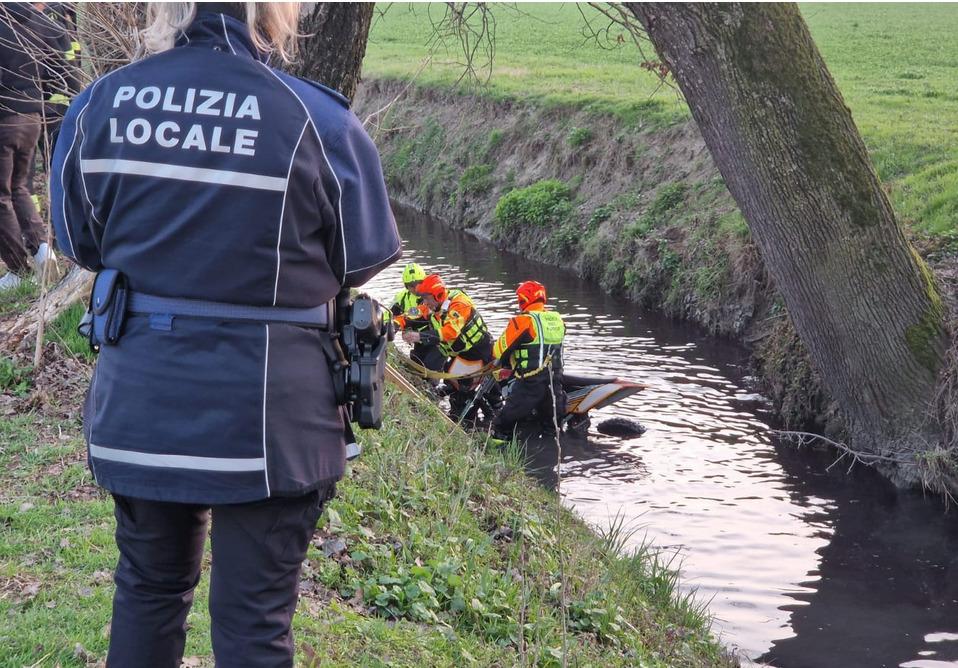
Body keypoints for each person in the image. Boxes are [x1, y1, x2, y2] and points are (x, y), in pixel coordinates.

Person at [50, 3, 401, 666]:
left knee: (148, 591)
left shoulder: (101, 105)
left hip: (142, 403)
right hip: (273, 419)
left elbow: (80, 242)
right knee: (254, 619)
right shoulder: (315, 119)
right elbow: (364, 255)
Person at [0, 2, 66, 289]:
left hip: (3, 119)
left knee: (1, 195)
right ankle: (43, 253)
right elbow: (59, 73)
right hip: (32, 118)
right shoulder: (44, 23)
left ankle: (17, 270)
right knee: (19, 189)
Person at [405, 273, 500, 419]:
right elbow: (412, 313)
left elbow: (451, 332)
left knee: (467, 397)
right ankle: (466, 413)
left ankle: (486, 419)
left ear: (437, 295)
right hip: (461, 356)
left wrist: (420, 336)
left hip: (480, 352)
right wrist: (395, 321)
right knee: (454, 388)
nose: (424, 303)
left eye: (426, 298)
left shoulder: (459, 304)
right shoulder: (430, 306)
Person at [491, 281, 567, 439]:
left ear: (523, 301)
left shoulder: (523, 321)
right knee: (552, 431)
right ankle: (552, 459)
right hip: (555, 384)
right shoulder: (558, 320)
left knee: (501, 425)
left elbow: (499, 351)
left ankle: (500, 457)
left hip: (530, 384)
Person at [389, 261, 445, 373]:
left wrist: (402, 321)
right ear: (406, 286)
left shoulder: (431, 295)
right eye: (411, 286)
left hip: (436, 341)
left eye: (418, 284)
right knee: (415, 368)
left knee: (430, 368)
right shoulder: (401, 298)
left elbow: (417, 311)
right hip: (418, 341)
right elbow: (388, 315)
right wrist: (391, 327)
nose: (415, 289)